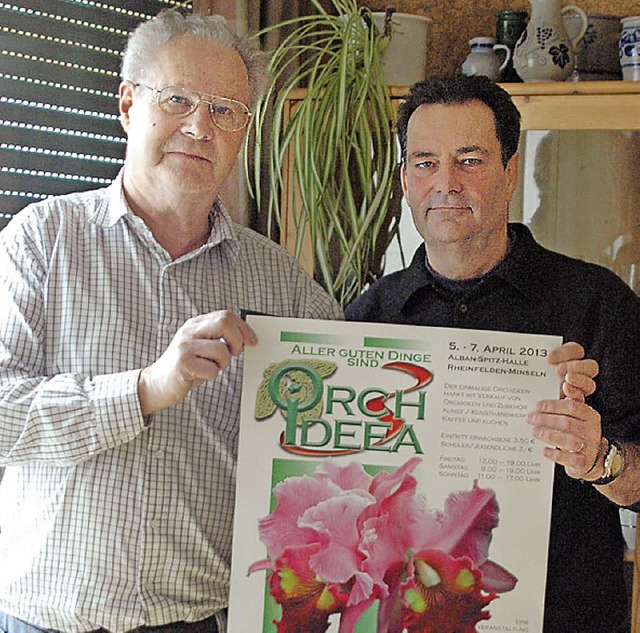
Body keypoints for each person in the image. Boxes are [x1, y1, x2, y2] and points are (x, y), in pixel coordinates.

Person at [0, 9, 341, 633]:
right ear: (129, 105)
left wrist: (519, 396)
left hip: (203, 619)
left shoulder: (279, 280)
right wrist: (144, 389)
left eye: (225, 110)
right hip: (47, 618)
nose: (199, 127)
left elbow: (350, 409)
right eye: (177, 99)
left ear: (244, 130)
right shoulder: (39, 242)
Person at [345, 75, 640, 633]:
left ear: (509, 173)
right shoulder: (368, 322)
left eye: (470, 160)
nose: (446, 183)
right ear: (405, 180)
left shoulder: (598, 305)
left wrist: (598, 458)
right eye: (426, 162)